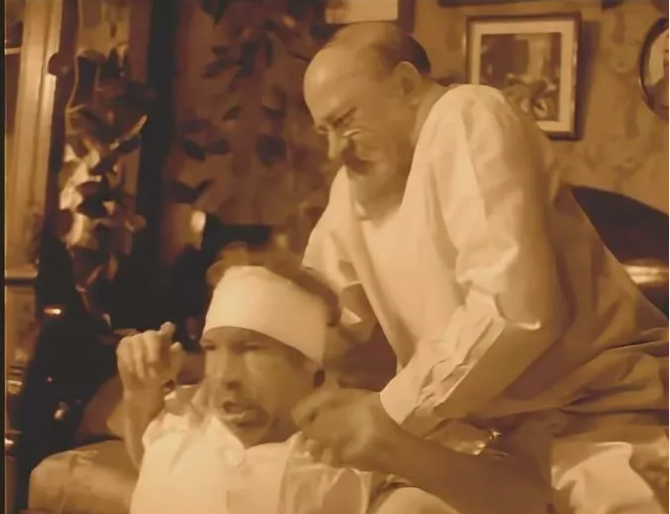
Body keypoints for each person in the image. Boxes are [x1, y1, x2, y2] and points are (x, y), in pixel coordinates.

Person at [294, 22, 669, 514]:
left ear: (405, 85)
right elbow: (318, 309)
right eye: (324, 131)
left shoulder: (465, 114)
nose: (334, 149)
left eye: (345, 120)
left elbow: (515, 315)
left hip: (598, 423)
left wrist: (385, 413)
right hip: (480, 443)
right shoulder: (356, 180)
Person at [117, 252, 458, 514]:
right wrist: (138, 390)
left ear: (308, 363)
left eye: (250, 349)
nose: (223, 376)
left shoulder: (354, 466)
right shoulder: (180, 425)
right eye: (211, 348)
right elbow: (148, 455)